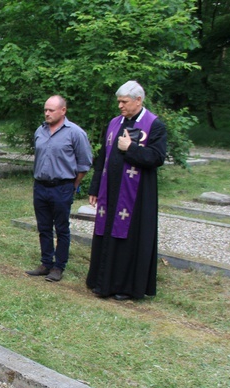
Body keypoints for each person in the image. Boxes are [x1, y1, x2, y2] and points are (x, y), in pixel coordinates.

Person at [86, 81, 167, 300]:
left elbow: (157, 157)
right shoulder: (114, 123)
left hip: (136, 196)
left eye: (124, 102)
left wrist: (130, 148)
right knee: (106, 233)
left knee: (128, 239)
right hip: (110, 190)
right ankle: (101, 281)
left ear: (138, 100)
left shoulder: (154, 125)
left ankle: (124, 286)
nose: (120, 106)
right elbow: (103, 157)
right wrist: (95, 187)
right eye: (119, 102)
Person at [25, 95, 93, 282]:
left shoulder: (75, 133)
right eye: (45, 110)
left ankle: (58, 266)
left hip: (62, 187)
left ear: (63, 111)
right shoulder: (40, 130)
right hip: (41, 186)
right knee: (44, 226)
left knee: (61, 228)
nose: (47, 113)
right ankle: (46, 262)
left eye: (51, 110)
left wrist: (74, 184)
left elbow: (85, 163)